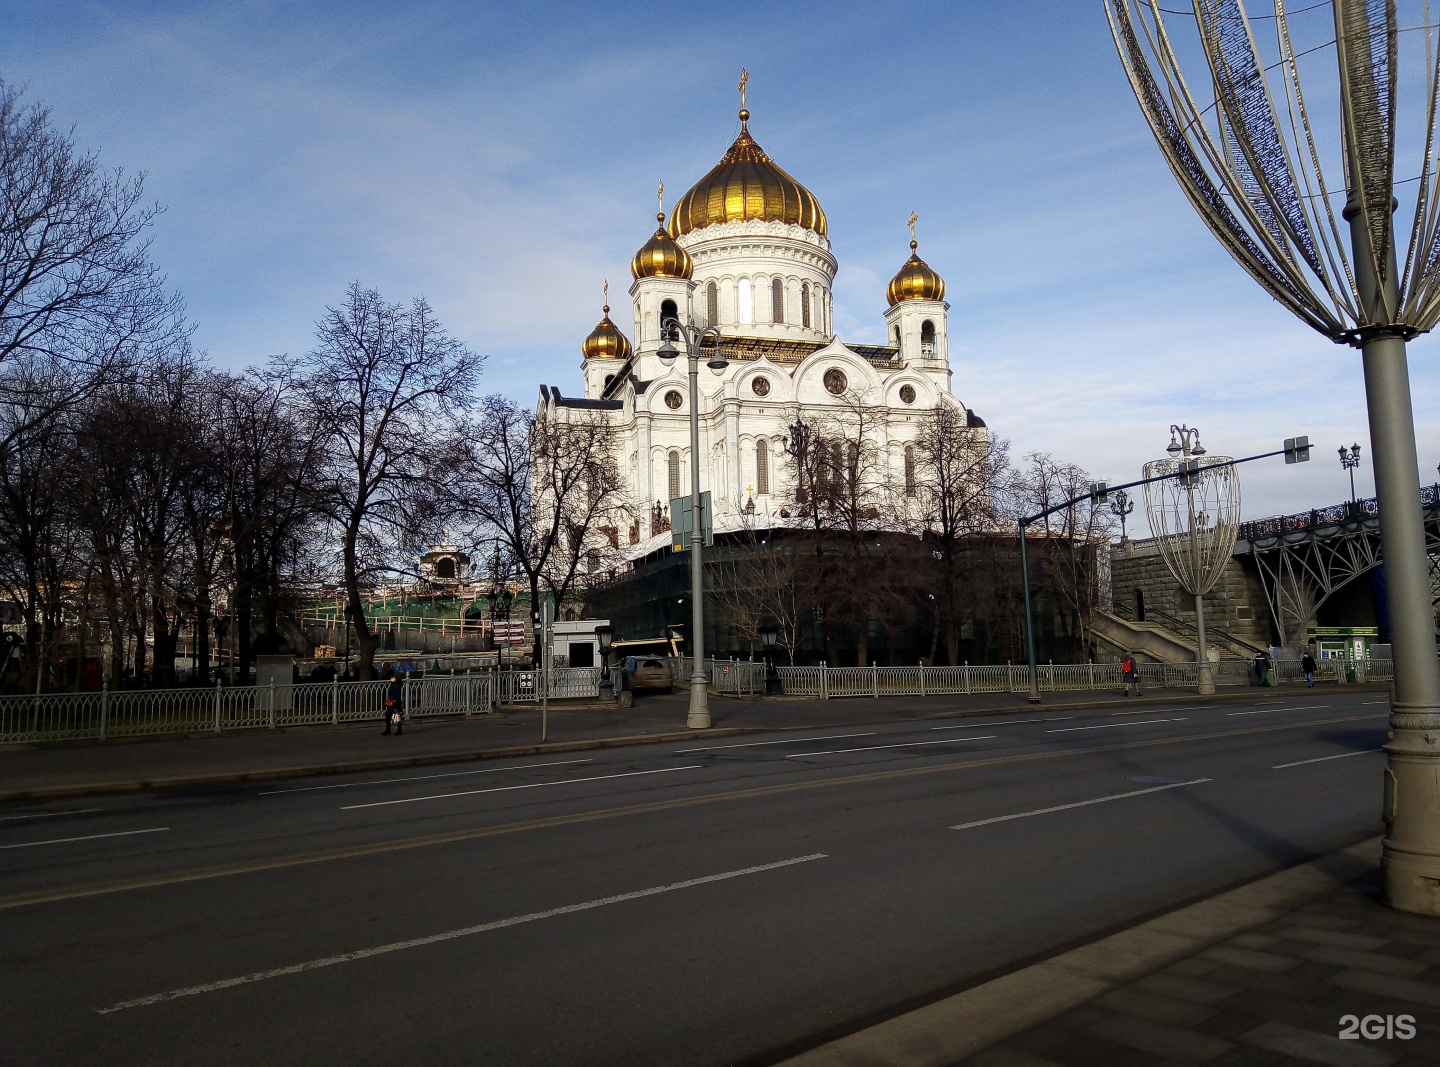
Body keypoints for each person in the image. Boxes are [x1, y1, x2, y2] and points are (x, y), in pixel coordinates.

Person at [383, 669, 405, 735]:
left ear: (395, 678)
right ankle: (394, 730)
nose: (391, 679)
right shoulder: (395, 684)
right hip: (393, 702)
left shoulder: (396, 685)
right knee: (395, 715)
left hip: (394, 702)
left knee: (393, 715)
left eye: (392, 678)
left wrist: (395, 701)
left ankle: (390, 730)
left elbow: (397, 694)